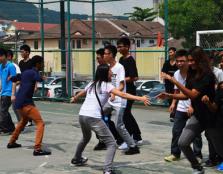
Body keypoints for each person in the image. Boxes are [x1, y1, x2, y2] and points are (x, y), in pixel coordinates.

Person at [70, 64, 149, 174]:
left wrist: (75, 97)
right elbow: (122, 94)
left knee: (85, 138)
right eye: (109, 72)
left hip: (82, 115)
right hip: (93, 117)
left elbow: (83, 92)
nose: (111, 73)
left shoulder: (92, 84)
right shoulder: (106, 85)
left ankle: (77, 158)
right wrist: (141, 98)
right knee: (111, 143)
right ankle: (107, 170)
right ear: (105, 74)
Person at [158, 46, 223, 174]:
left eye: (192, 60)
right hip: (198, 116)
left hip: (212, 117)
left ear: (200, 60)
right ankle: (197, 167)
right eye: (189, 60)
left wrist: (174, 81)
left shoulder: (207, 75)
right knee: (183, 142)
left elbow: (193, 95)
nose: (190, 63)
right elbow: (186, 95)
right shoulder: (191, 73)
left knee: (220, 149)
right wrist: (170, 95)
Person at [7, 55, 51, 156]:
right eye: (42, 63)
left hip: (19, 102)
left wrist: (11, 78)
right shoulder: (34, 72)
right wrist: (41, 78)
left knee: (23, 122)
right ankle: (37, 149)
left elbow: (17, 78)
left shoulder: (26, 72)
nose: (43, 65)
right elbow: (37, 78)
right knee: (40, 123)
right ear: (37, 64)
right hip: (26, 102)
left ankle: (12, 142)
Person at [163, 49, 202, 162]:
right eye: (178, 61)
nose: (180, 63)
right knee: (176, 130)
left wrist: (192, 106)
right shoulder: (176, 73)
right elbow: (177, 91)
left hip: (193, 106)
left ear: (187, 61)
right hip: (181, 107)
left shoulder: (194, 73)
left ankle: (197, 154)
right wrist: (174, 104)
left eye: (182, 61)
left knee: (194, 132)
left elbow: (194, 93)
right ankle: (175, 153)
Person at [102, 45, 140, 155]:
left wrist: (114, 94)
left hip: (119, 101)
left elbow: (122, 85)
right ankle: (111, 139)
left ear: (112, 55)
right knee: (97, 115)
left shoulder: (119, 67)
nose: (104, 55)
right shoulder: (107, 67)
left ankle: (133, 146)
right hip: (111, 100)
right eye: (104, 53)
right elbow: (109, 84)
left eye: (106, 53)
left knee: (119, 125)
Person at [94, 48, 122, 151]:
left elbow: (114, 83)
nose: (97, 59)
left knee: (104, 120)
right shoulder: (99, 68)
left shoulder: (110, 68)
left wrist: (113, 94)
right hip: (100, 99)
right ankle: (105, 140)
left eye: (99, 57)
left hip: (109, 99)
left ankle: (114, 139)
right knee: (101, 120)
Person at [117, 37, 142, 150]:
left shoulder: (130, 60)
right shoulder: (121, 59)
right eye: (118, 46)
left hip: (130, 91)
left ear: (127, 47)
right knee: (126, 114)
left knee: (125, 114)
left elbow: (135, 77)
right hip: (123, 90)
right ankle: (137, 136)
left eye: (121, 46)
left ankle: (131, 138)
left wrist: (121, 80)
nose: (119, 48)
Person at [203, 53, 223, 167]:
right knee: (210, 133)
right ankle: (213, 157)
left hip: (217, 106)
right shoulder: (203, 73)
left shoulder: (218, 73)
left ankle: (219, 157)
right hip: (212, 107)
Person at [201, 81, 223, 171]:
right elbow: (214, 106)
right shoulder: (220, 87)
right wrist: (208, 102)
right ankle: (214, 158)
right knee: (211, 136)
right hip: (217, 119)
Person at [0, 48, 16, 135]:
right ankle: (10, 128)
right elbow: (1, 80)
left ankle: (6, 128)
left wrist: (13, 94)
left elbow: (14, 80)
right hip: (3, 92)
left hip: (9, 92)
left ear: (3, 56)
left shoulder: (11, 66)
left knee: (3, 110)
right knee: (3, 111)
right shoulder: (1, 66)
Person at [18, 44, 34, 127]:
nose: (21, 53)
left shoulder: (31, 62)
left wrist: (35, 86)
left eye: (22, 52)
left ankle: (29, 120)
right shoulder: (20, 63)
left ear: (27, 52)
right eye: (20, 52)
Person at [161, 47, 178, 122]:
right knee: (170, 98)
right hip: (168, 85)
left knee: (177, 98)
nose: (169, 54)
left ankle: (176, 113)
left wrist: (171, 77)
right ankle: (172, 113)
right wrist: (167, 77)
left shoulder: (178, 62)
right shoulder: (167, 63)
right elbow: (163, 73)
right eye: (169, 52)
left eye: (171, 52)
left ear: (175, 52)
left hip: (177, 84)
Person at [7, 50, 21, 122]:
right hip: (6, 91)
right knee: (3, 108)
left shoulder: (15, 66)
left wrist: (13, 87)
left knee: (15, 108)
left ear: (9, 57)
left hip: (15, 91)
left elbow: (19, 80)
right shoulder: (3, 67)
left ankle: (21, 122)